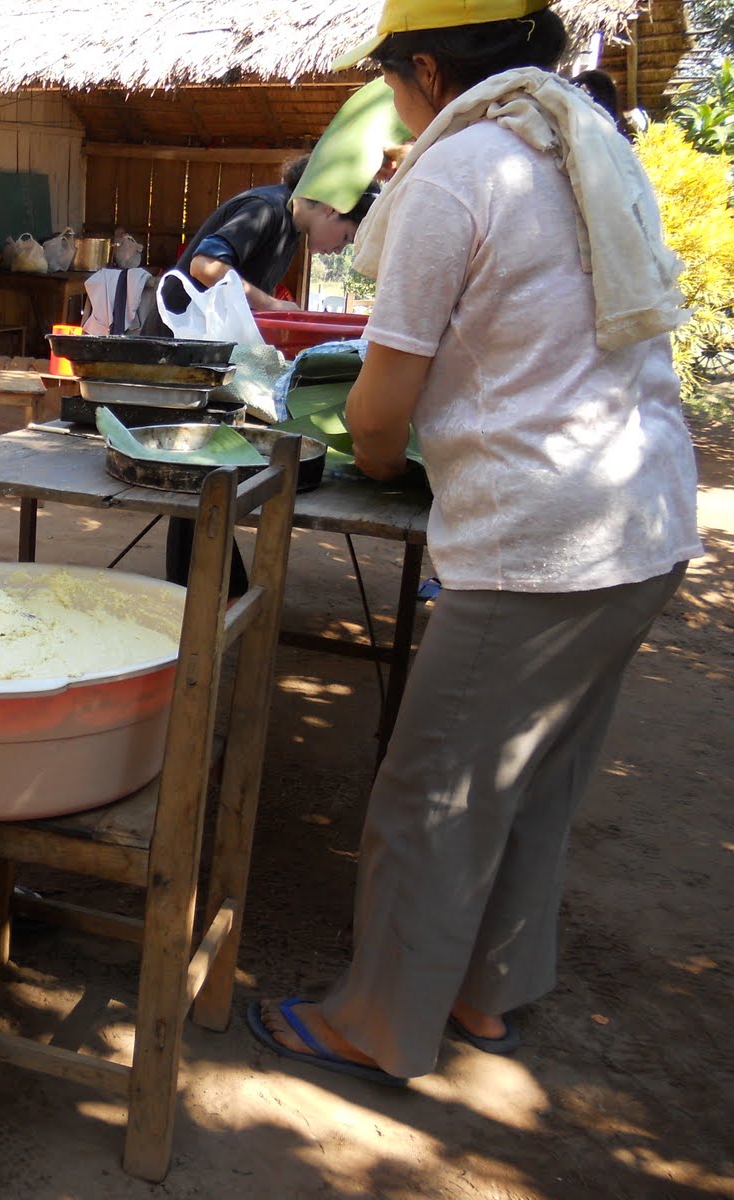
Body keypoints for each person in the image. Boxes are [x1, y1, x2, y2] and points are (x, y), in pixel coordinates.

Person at [248, 0, 701, 1085]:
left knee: (431, 789)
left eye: (393, 83)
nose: (393, 105)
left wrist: (369, 449)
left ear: (426, 69)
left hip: (540, 539)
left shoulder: (456, 174)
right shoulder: (586, 138)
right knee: (533, 774)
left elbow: (377, 410)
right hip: (644, 519)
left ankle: (378, 1021)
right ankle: (483, 994)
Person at [155, 154, 380, 326]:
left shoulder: (292, 226)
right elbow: (204, 266)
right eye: (346, 237)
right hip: (171, 347)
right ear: (332, 209)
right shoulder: (266, 208)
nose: (340, 251)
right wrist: (273, 305)